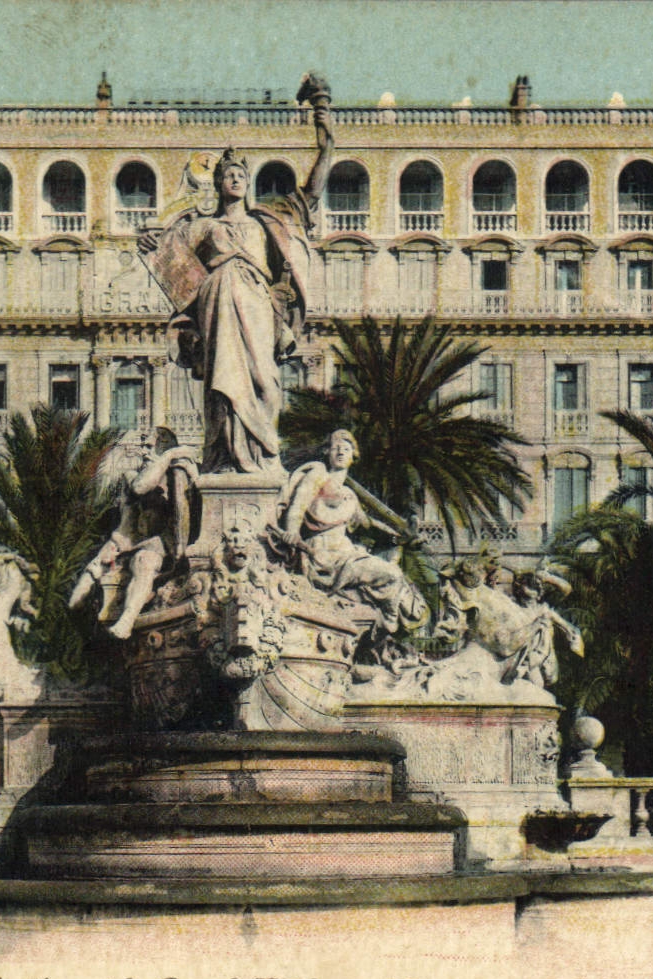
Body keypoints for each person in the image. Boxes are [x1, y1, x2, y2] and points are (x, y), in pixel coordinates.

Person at [138, 76, 334, 475]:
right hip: (217, 307)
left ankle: (263, 458)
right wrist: (147, 241)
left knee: (265, 382)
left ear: (248, 183)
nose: (235, 178)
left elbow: (313, 190)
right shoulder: (203, 227)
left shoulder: (268, 220)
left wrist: (325, 132)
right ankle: (225, 459)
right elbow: (166, 255)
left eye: (241, 174)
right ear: (218, 183)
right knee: (222, 386)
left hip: (258, 305)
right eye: (228, 174)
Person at [274, 430, 427, 639]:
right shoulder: (318, 475)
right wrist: (292, 532)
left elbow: (368, 525)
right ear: (327, 452)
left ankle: (387, 626)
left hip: (347, 554)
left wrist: (401, 537)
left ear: (353, 456)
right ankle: (387, 624)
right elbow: (297, 507)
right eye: (335, 447)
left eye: (346, 449)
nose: (340, 452)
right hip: (322, 556)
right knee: (392, 575)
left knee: (395, 576)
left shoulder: (349, 495)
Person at [69, 428, 198, 639]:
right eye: (144, 446)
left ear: (164, 447)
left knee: (143, 562)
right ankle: (82, 618)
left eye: (150, 447)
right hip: (126, 541)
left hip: (157, 545)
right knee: (82, 589)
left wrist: (172, 460)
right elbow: (140, 487)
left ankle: (126, 621)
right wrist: (168, 456)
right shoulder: (132, 475)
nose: (144, 452)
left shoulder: (176, 477)